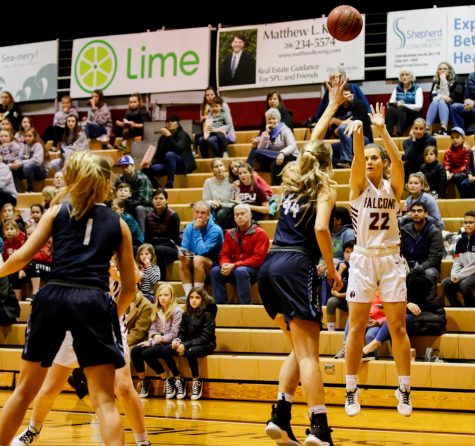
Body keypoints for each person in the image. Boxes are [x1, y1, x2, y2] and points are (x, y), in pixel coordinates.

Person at [0, 150, 136, 446]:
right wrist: (109, 317)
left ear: (74, 178)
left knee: (24, 391)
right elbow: (130, 287)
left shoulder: (56, 211)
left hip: (54, 295)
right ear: (106, 183)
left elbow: (23, 257)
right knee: (103, 400)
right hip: (94, 298)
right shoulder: (118, 224)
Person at [258, 76, 347, 446]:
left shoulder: (294, 176)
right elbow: (324, 229)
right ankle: (320, 429)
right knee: (310, 355)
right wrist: (330, 268)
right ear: (330, 164)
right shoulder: (325, 185)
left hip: (269, 266)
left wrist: (331, 103)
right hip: (296, 266)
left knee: (298, 348)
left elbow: (313, 140)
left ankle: (280, 415)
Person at [12, 261, 151, 446]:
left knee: (124, 387)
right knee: (50, 389)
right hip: (71, 321)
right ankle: (32, 430)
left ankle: (143, 441)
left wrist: (113, 272)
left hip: (106, 324)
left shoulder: (114, 238)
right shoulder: (71, 242)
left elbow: (134, 280)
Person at [344, 103, 412, 418]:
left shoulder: (392, 187)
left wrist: (381, 130)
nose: (370, 161)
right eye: (367, 158)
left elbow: (398, 160)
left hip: (390, 258)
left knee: (397, 326)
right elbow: (357, 158)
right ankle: (350, 389)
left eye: (375, 158)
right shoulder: (358, 186)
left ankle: (404, 389)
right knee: (356, 326)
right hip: (362, 258)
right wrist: (359, 134)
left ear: (381, 163)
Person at [210, 204, 269, 304]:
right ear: (234, 218)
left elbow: (258, 259)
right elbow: (224, 254)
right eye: (236, 215)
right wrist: (225, 265)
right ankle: (220, 306)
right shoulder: (229, 233)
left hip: (254, 271)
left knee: (240, 271)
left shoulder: (260, 233)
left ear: (250, 216)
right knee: (215, 271)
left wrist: (234, 265)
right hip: (235, 268)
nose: (239, 217)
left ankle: (246, 306)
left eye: (242, 214)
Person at [178, 201, 223, 298]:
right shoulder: (189, 227)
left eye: (202, 213)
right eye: (197, 212)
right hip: (195, 261)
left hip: (214, 265)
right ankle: (189, 295)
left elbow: (202, 251)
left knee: (198, 259)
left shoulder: (216, 230)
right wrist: (182, 252)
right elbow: (185, 247)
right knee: (182, 257)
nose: (199, 216)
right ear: (193, 213)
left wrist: (197, 230)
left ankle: (198, 295)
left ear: (208, 215)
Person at [141, 114, 196, 188]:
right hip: (168, 166)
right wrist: (150, 163)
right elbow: (158, 155)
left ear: (178, 123)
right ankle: (157, 188)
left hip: (181, 165)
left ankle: (170, 183)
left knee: (170, 155)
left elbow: (178, 150)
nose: (170, 123)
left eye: (172, 121)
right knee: (145, 169)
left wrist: (169, 136)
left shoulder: (183, 135)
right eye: (167, 122)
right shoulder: (162, 138)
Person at [442, 210, 475, 307]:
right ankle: (457, 307)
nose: (467, 225)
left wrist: (460, 276)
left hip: (471, 273)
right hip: (464, 273)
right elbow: (457, 261)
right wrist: (454, 275)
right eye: (465, 222)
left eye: (471, 222)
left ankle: (471, 307)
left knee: (464, 285)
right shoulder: (460, 241)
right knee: (446, 283)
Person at [425, 61, 464, 135]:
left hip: (452, 110)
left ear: (449, 70)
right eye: (440, 69)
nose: (442, 70)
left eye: (445, 69)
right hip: (436, 110)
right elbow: (432, 98)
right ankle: (427, 128)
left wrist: (443, 81)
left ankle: (444, 129)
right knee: (436, 102)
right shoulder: (436, 82)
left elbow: (452, 98)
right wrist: (441, 97)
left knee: (441, 101)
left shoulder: (457, 81)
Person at [386, 69, 423, 137]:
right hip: (399, 113)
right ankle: (389, 132)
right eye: (402, 75)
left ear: (411, 77)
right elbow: (391, 102)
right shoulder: (397, 88)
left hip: (413, 114)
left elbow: (419, 107)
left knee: (401, 108)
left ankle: (399, 132)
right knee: (391, 109)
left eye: (407, 74)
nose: (404, 77)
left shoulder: (417, 89)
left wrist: (404, 105)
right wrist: (396, 103)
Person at [402, 117, 436, 182]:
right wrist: (414, 141)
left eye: (421, 129)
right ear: (412, 129)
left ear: (425, 129)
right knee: (406, 164)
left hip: (426, 167)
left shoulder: (431, 140)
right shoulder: (407, 142)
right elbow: (409, 157)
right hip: (413, 168)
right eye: (416, 128)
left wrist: (405, 157)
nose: (418, 131)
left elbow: (424, 158)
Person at [451, 61, 475, 133]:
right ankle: (460, 133)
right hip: (473, 109)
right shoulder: (471, 77)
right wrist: (467, 102)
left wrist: (474, 102)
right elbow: (466, 97)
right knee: (455, 107)